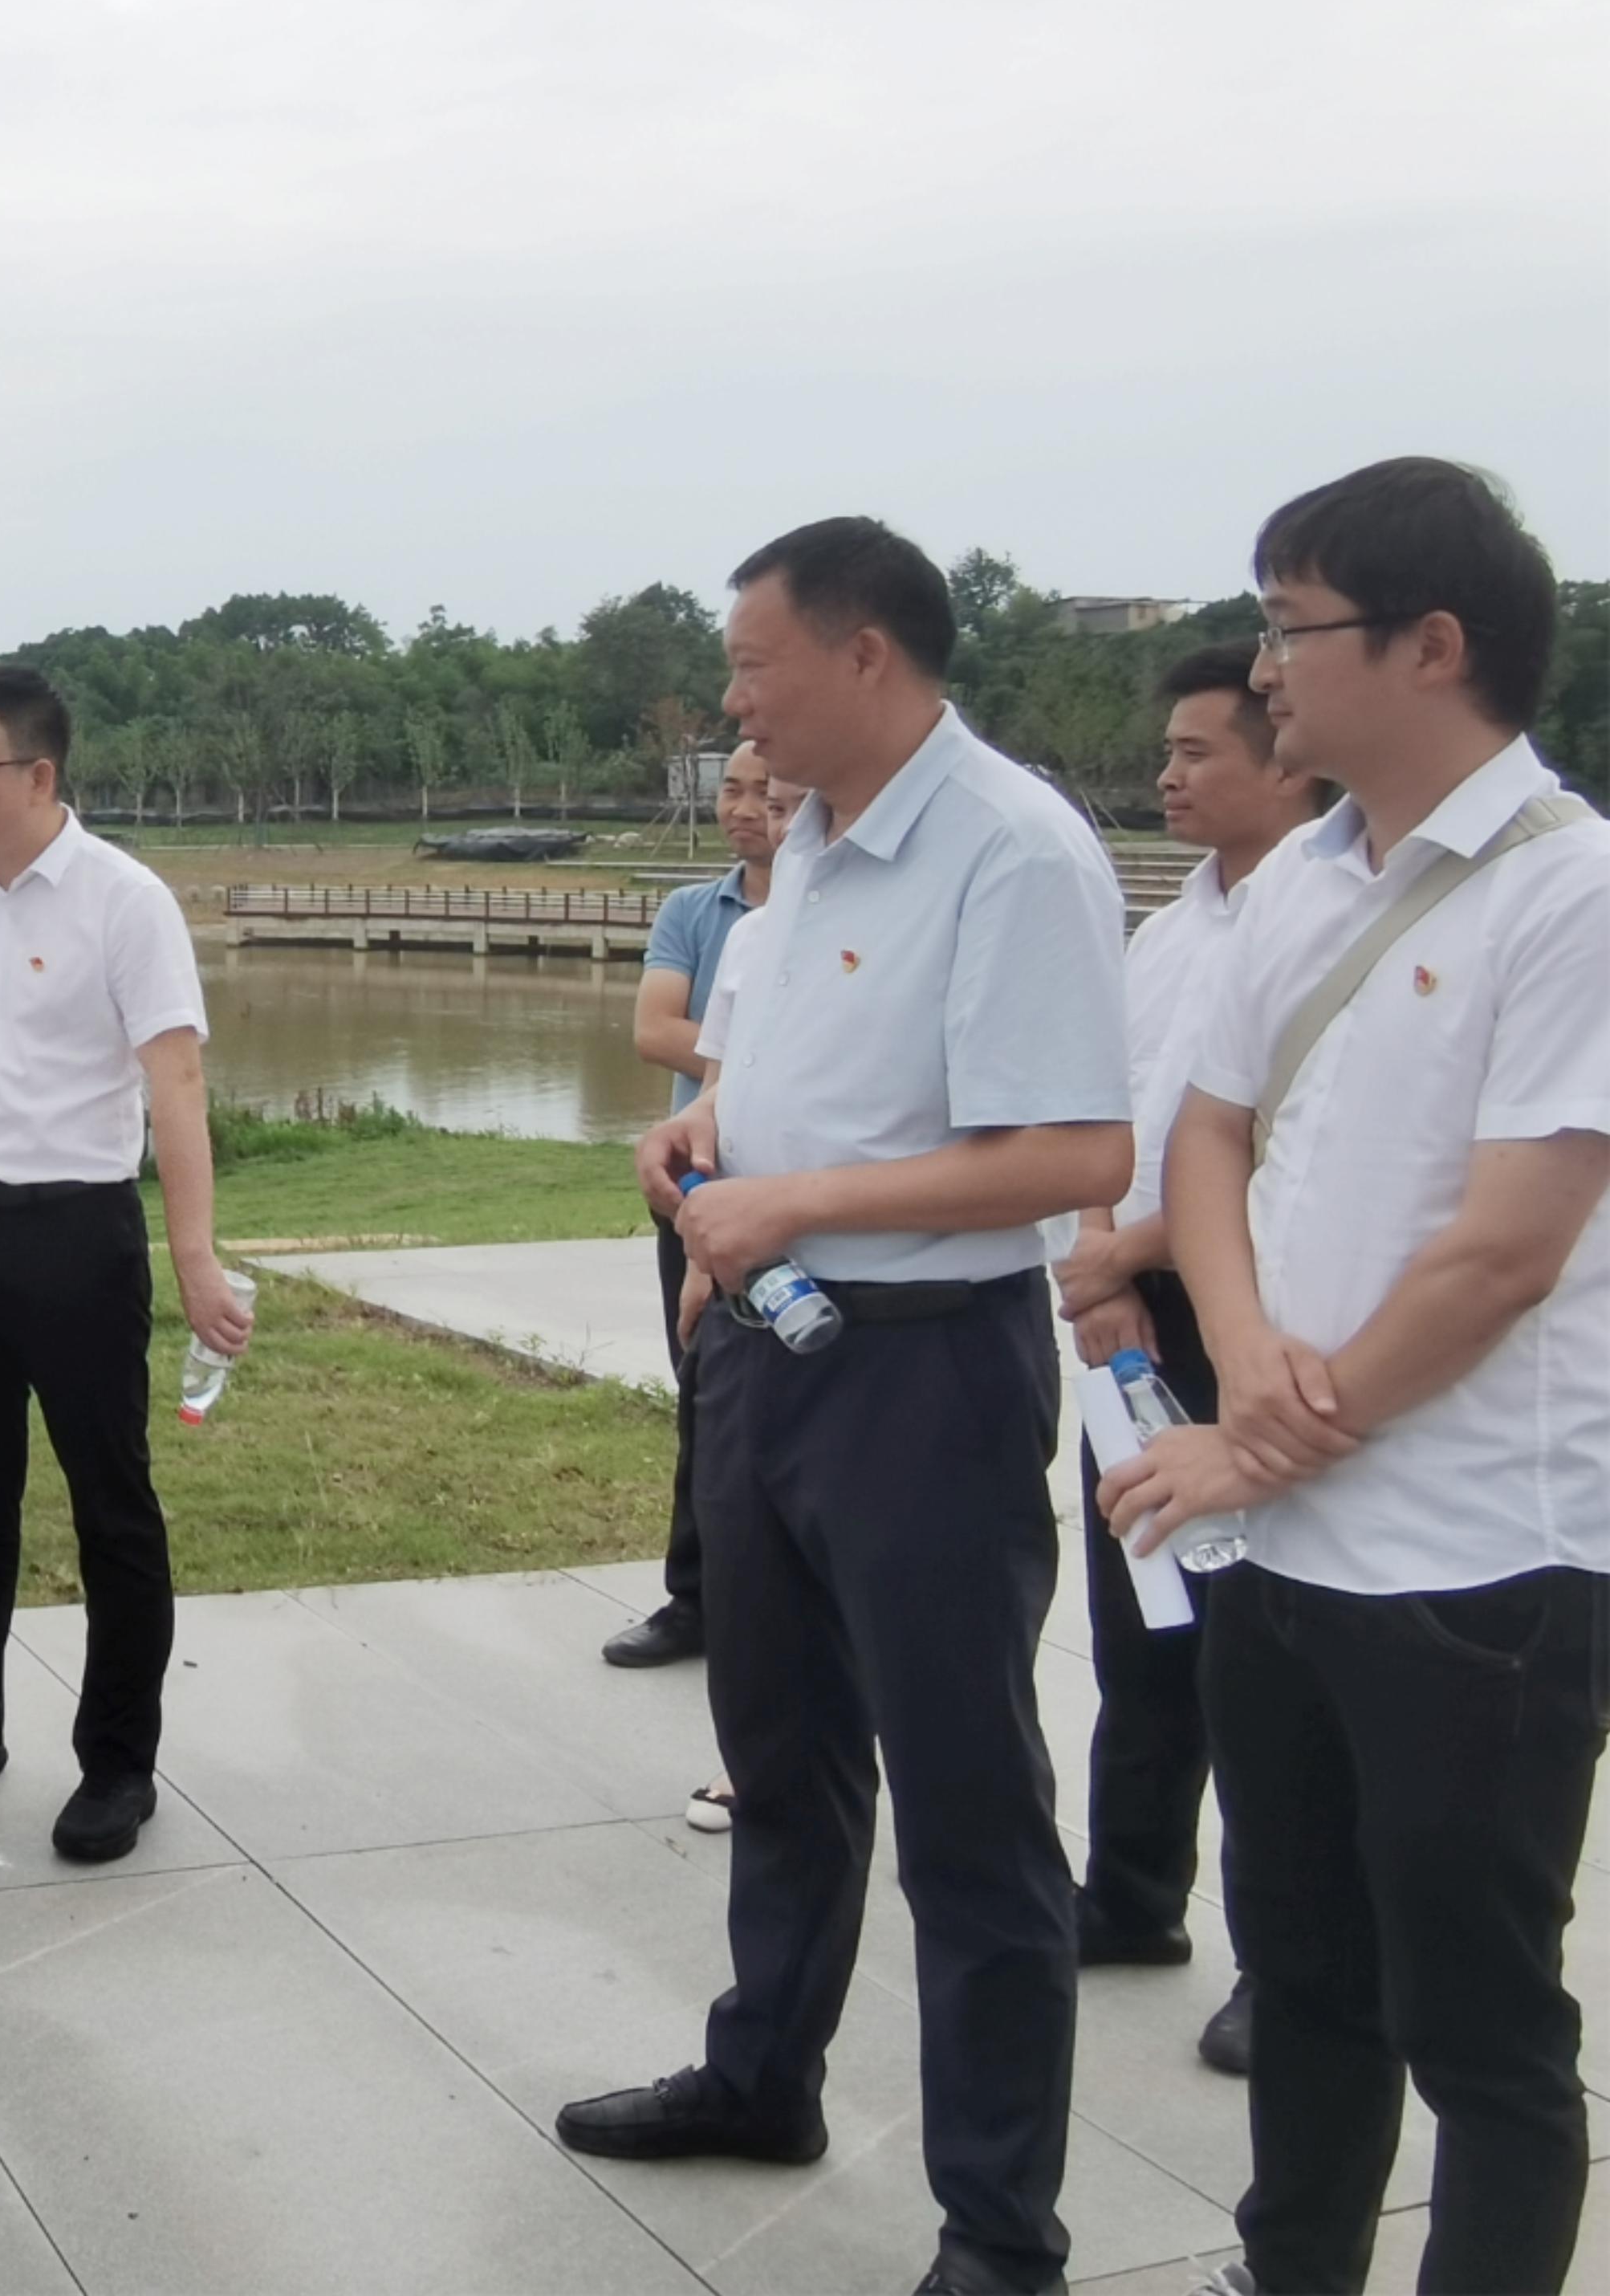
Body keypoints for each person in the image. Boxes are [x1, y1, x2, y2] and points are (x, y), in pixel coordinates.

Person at [554, 521, 1132, 2296]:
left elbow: (1075, 1152)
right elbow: (772, 1073)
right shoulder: (801, 847)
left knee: (967, 1807)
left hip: (922, 1374)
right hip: (766, 1351)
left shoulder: (1010, 848)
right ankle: (762, 2074)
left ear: (864, 652)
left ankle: (1000, 2232)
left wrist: (793, 1201)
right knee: (781, 1752)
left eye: (752, 667)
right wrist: (706, 1134)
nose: (733, 706)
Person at [1100, 458, 1608, 2296]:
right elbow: (1209, 1135)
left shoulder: (1571, 891)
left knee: (1479, 2024)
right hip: (1286, 1553)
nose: (1264, 667)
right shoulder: (1300, 882)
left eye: (1290, 625)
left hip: (1477, 1568)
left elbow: (1504, 1250)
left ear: (1431, 643)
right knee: (1306, 1976)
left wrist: (1254, 1444)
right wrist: (1241, 1365)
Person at [0, 666, 250, 1865]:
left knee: (110, 1503)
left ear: (39, 774)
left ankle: (119, 1761)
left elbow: (176, 1081)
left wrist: (195, 1256)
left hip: (77, 1237)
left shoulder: (124, 901)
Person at [1049, 641, 1323, 2077]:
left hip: (1249, 1322)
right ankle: (1131, 1893)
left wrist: (1130, 1256)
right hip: (1130, 1316)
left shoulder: (1320, 919)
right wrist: (1098, 1258)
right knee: (1142, 1624)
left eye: (1196, 752)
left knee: (1260, 1662)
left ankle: (1286, 1964)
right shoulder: (1164, 932)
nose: (1167, 775)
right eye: (1165, 751)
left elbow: (1272, 1147)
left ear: (1285, 765)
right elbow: (1103, 1109)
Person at [607, 740, 794, 1674]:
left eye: (771, 795)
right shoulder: (700, 912)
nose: (748, 808)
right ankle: (697, 1598)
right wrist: (758, 1062)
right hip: (698, 1187)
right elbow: (656, 1030)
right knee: (704, 1392)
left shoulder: (832, 917)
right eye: (734, 789)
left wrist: (747, 1059)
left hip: (794, 1201)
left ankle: (778, 1605)